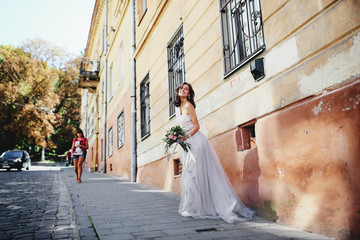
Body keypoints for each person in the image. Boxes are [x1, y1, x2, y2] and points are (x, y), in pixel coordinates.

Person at [174, 82, 255, 223]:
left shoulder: (188, 106)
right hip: (186, 144)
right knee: (189, 175)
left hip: (196, 143)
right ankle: (193, 206)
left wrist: (184, 137)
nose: (183, 90)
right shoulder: (178, 107)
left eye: (186, 89)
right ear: (178, 91)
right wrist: (176, 136)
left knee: (197, 174)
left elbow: (196, 126)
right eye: (181, 88)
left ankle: (206, 207)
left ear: (189, 93)